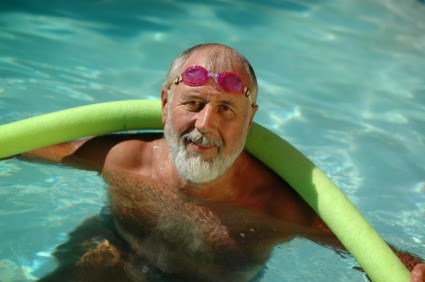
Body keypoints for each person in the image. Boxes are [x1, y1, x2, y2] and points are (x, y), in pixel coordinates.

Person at [16, 43, 424, 281]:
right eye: (193, 104)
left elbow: (375, 254)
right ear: (164, 104)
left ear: (251, 119)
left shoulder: (273, 205)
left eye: (227, 109)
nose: (205, 125)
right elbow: (32, 146)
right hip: (111, 255)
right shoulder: (124, 159)